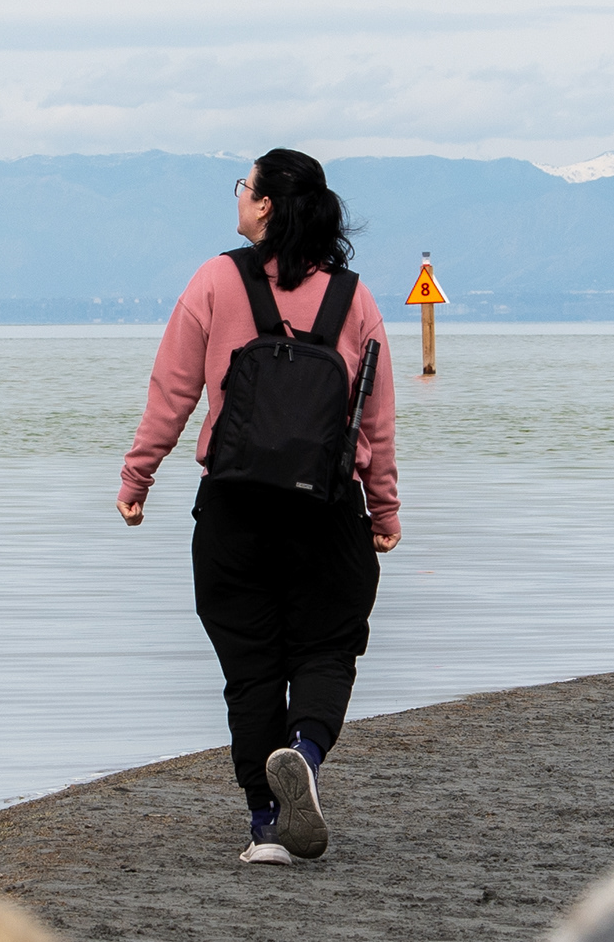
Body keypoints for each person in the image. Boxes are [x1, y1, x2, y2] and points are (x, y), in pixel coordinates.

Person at [117, 148, 402, 863]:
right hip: (327, 509)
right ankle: (303, 751)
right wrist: (386, 510)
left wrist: (137, 479)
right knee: (328, 647)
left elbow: (172, 393)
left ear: (266, 205)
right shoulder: (354, 298)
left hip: (234, 509)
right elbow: (376, 419)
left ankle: (265, 826)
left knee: (250, 668)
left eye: (244, 188)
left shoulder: (215, 280)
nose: (239, 198)